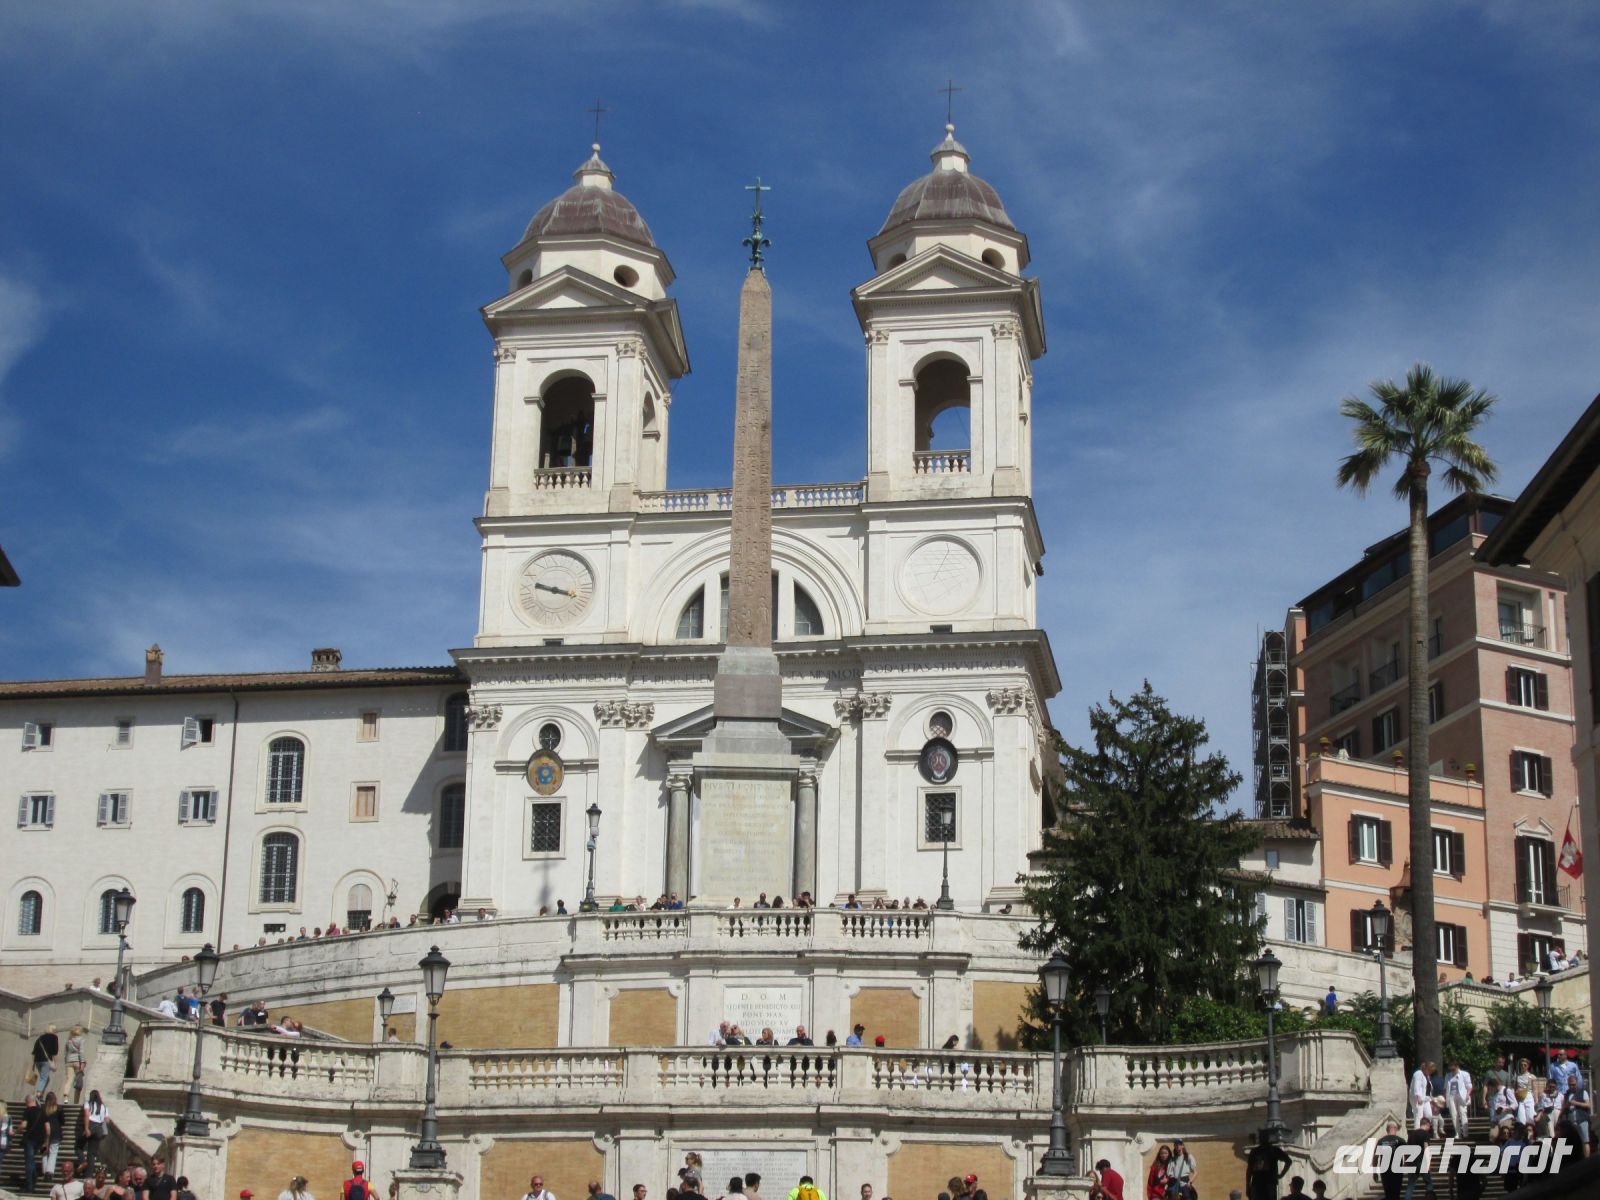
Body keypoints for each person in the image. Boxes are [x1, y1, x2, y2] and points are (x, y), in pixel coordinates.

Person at [1245, 1133, 1290, 1200]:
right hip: (1268, 1184)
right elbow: (1288, 1161)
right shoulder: (1274, 1150)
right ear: (1268, 1139)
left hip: (1258, 1185)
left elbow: (1249, 1171)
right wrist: (1281, 1174)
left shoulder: (1255, 1151)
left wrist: (1248, 1186)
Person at [1375, 1120, 1405, 1200]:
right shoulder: (1401, 1140)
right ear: (1395, 1128)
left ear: (1387, 1129)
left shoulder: (1381, 1141)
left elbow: (1375, 1157)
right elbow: (1407, 1155)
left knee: (1388, 1193)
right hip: (1397, 1170)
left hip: (1385, 1171)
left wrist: (1374, 1172)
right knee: (1396, 1193)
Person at [1444, 1060, 1472, 1138]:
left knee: (1462, 1113)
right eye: (1451, 1069)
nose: (1452, 1071)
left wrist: (1468, 1094)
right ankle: (1457, 1133)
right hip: (1451, 1096)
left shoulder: (1464, 1074)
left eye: (1453, 1069)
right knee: (1454, 1115)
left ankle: (1465, 1132)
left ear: (1457, 1067)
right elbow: (1445, 1087)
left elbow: (1469, 1086)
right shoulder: (1448, 1075)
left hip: (1461, 1096)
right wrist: (1445, 1097)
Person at [82, 1090, 109, 1168]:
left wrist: (86, 1128)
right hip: (99, 1128)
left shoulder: (88, 1103)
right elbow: (107, 1120)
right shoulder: (104, 1106)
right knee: (92, 1153)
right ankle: (89, 1173)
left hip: (91, 1125)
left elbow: (86, 1115)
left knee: (78, 1146)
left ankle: (82, 1162)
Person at [33, 1024, 61, 1096]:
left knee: (46, 1079)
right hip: (46, 1060)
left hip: (37, 1061)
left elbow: (34, 1051)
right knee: (44, 1078)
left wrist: (33, 1064)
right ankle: (38, 1094)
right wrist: (54, 1064)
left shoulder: (40, 1038)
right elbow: (55, 1052)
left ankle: (41, 1094)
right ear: (54, 1030)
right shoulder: (54, 1037)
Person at [42, 1092, 64, 1180]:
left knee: (44, 1152)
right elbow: (62, 1121)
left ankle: (44, 1170)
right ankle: (49, 1171)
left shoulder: (43, 1108)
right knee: (53, 1152)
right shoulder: (58, 1108)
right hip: (56, 1132)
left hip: (44, 1132)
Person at [65, 1026, 87, 1100]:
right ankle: (76, 1101)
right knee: (78, 1081)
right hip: (78, 1062)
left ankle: (66, 1096)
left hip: (69, 1062)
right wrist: (83, 1062)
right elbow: (81, 1052)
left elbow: (66, 1053)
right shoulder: (81, 1039)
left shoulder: (69, 1040)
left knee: (69, 1079)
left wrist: (66, 1062)